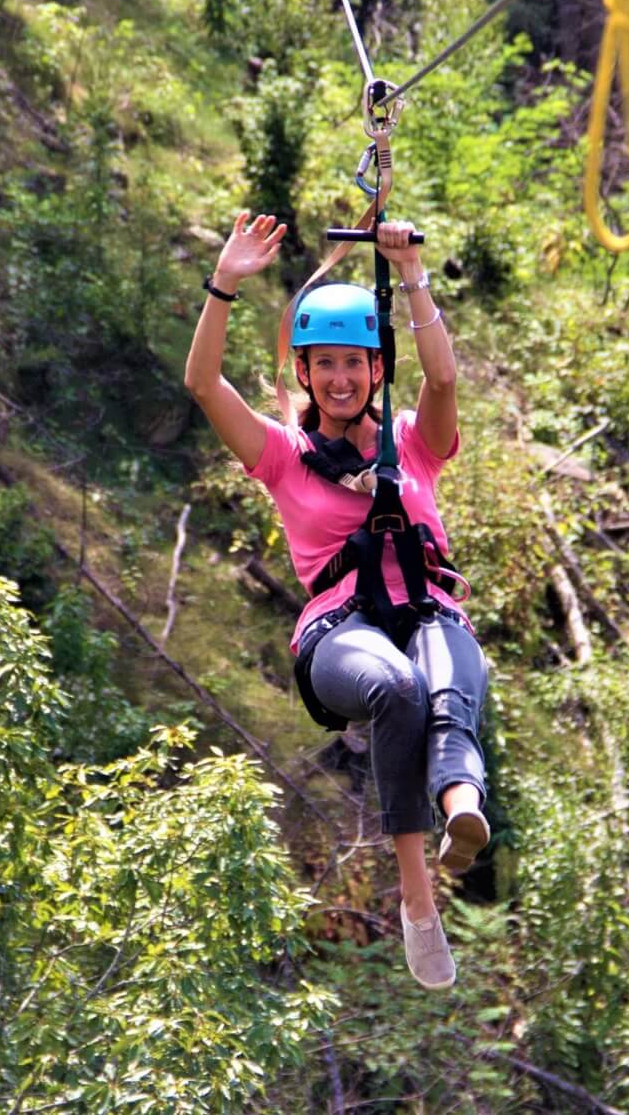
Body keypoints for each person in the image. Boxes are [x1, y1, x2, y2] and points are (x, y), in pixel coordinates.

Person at [184, 210, 491, 990]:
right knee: (397, 687)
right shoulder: (284, 457)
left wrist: (413, 278)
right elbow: (202, 383)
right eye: (325, 365)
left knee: (450, 686)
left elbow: (446, 378)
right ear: (306, 372)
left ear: (377, 371)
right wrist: (225, 283)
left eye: (355, 364)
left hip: (427, 611)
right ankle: (420, 906)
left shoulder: (415, 441)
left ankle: (463, 808)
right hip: (342, 634)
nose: (342, 379)